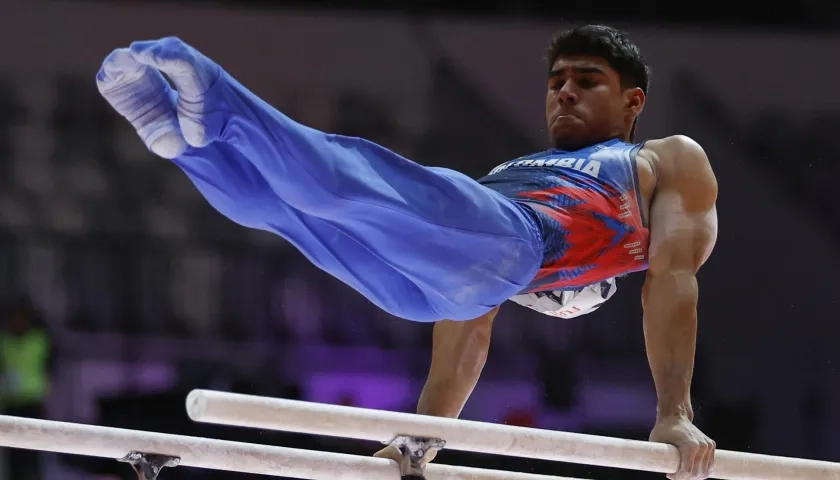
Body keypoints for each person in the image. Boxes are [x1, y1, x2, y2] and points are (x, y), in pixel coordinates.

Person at [96, 24, 717, 480]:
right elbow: (467, 332)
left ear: (633, 100)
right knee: (309, 204)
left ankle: (209, 120)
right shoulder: (511, 169)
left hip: (510, 245)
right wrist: (423, 439)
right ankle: (182, 135)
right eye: (556, 82)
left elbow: (672, 277)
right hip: (465, 266)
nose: (565, 93)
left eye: (588, 81)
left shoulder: (665, 158)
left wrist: (674, 412)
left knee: (322, 199)